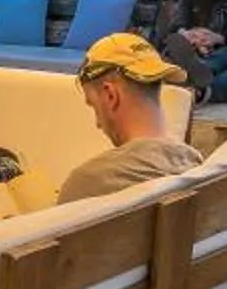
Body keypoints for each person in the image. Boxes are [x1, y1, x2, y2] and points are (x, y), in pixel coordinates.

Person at [57, 34, 206, 202]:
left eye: (94, 106)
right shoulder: (196, 166)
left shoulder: (87, 184)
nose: (98, 124)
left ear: (110, 95)